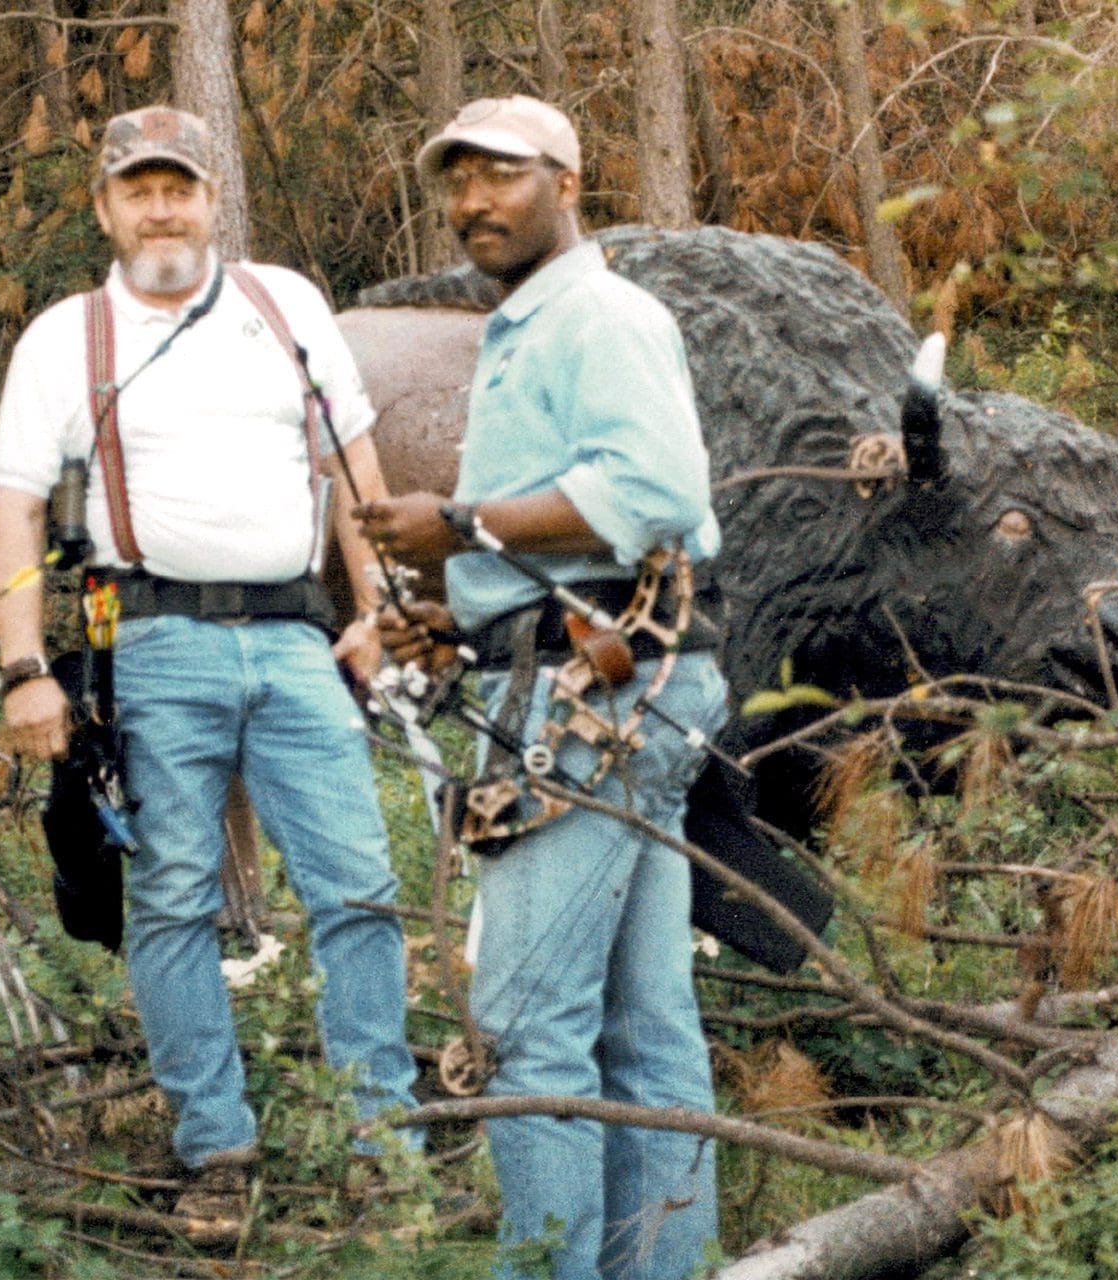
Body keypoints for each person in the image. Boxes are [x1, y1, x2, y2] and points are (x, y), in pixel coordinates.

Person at [0, 105, 419, 1211]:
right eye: (139, 188)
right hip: (153, 644)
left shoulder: (288, 308)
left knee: (359, 883)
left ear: (213, 199)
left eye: (180, 185)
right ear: (105, 208)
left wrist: (376, 610)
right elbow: (13, 514)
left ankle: (384, 1135)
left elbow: (357, 475)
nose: (162, 205)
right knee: (173, 896)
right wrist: (27, 666)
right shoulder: (62, 338)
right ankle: (215, 1149)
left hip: (294, 632)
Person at [360, 96, 726, 1280]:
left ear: (568, 180)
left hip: (600, 704)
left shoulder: (602, 316)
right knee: (645, 1026)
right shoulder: (526, 327)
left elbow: (653, 489)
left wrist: (460, 519)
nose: (473, 200)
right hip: (607, 682)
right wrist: (461, 621)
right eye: (456, 179)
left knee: (526, 1028)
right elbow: (570, 544)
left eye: (502, 175)